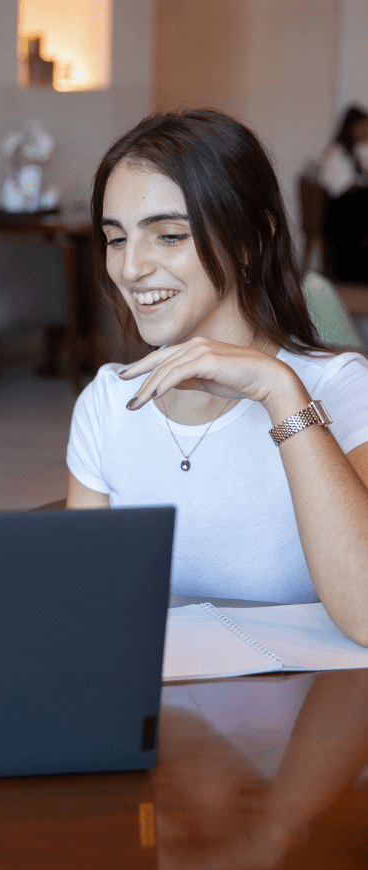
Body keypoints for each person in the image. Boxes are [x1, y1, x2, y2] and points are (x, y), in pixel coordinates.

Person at [66, 109, 368, 644]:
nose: (130, 268)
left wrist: (278, 390)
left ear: (251, 240)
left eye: (168, 236)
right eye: (116, 239)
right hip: (164, 715)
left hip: (310, 720)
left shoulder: (340, 389)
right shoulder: (108, 403)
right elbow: (86, 606)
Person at [317, 104, 368, 282]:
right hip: (339, 215)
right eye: (363, 127)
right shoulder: (336, 153)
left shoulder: (357, 152)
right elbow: (342, 189)